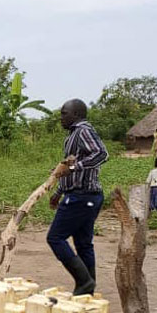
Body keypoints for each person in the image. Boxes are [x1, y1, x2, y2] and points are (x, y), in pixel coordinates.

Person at [47, 99, 109, 295]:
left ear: (76, 114)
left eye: (64, 113)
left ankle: (84, 281)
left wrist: (74, 167)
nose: (61, 117)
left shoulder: (83, 130)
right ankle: (87, 288)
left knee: (55, 238)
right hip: (87, 196)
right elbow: (69, 169)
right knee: (83, 243)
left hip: (82, 197)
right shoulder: (73, 135)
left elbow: (101, 154)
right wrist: (58, 192)